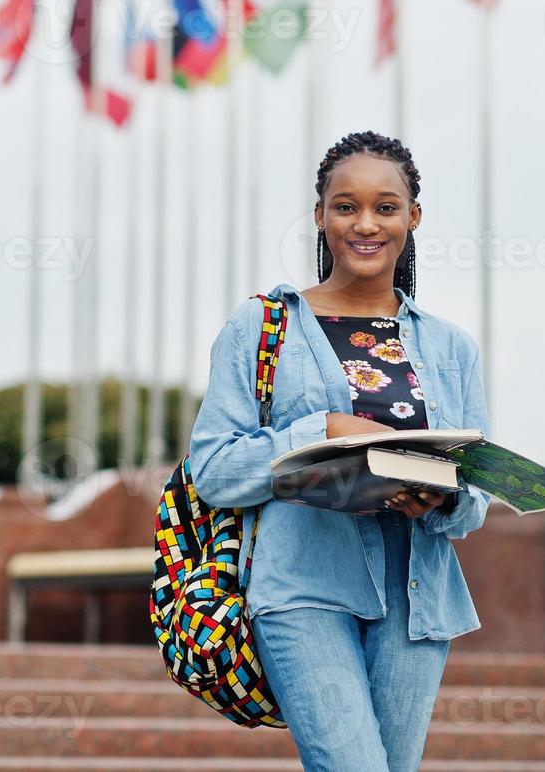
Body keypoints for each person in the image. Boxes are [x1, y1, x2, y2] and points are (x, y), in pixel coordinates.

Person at [188, 131, 493, 772]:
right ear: (320, 214)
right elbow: (214, 471)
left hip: (419, 601)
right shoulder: (264, 326)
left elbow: (474, 506)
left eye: (386, 207)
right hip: (302, 588)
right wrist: (319, 430)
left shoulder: (451, 348)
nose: (366, 223)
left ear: (412, 217)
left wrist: (442, 495)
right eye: (345, 205)